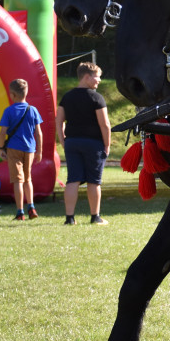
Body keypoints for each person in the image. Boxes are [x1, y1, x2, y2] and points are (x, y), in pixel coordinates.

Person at [56, 61, 111, 225]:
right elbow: (105, 124)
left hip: (72, 142)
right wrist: (107, 145)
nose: (99, 80)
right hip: (93, 144)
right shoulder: (96, 97)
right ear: (87, 77)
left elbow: (59, 121)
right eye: (97, 77)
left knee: (73, 180)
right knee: (94, 181)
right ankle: (95, 217)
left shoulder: (67, 97)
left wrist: (63, 140)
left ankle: (69, 218)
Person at [0, 79, 43, 221]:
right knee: (27, 178)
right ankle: (31, 206)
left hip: (13, 148)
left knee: (18, 180)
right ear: (26, 92)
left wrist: (1, 148)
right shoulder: (33, 110)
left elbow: (3, 132)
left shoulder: (9, 111)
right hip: (29, 148)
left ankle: (20, 212)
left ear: (12, 95)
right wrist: (39, 151)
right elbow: (39, 133)